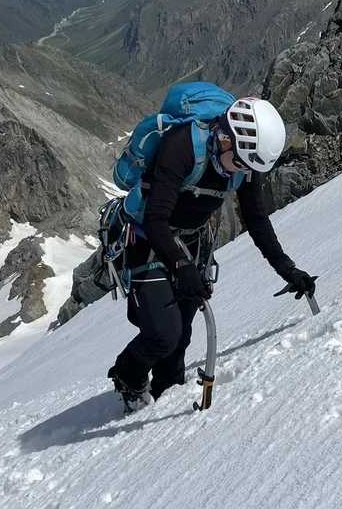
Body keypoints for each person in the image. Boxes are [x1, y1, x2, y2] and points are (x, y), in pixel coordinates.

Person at [107, 96, 317, 411]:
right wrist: (180, 267)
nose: (246, 173)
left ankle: (165, 401)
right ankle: (128, 373)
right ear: (224, 138)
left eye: (251, 167)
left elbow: (257, 221)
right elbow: (155, 219)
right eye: (242, 163)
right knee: (165, 333)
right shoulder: (183, 147)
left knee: (181, 338)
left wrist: (290, 271)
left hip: (193, 244)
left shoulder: (246, 158)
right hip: (145, 239)